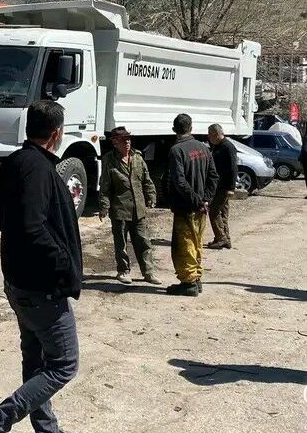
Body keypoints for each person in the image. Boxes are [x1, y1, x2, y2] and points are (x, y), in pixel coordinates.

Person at [0, 100, 82, 433]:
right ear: (56, 133)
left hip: (19, 282)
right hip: (40, 288)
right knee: (64, 364)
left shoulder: (15, 162)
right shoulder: (36, 169)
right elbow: (33, 227)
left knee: (36, 360)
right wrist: (63, 263)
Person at [164, 114, 219, 297]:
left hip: (185, 207)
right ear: (191, 128)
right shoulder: (204, 148)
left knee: (185, 245)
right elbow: (213, 177)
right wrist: (205, 200)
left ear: (174, 130)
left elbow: (179, 182)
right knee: (197, 244)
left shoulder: (176, 150)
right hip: (201, 208)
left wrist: (196, 201)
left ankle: (188, 282)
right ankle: (196, 279)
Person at [99, 126, 160, 285]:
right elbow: (105, 186)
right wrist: (104, 207)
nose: (127, 142)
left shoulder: (138, 157)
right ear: (114, 142)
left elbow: (147, 180)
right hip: (120, 209)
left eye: (128, 139)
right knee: (121, 244)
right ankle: (123, 271)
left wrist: (151, 196)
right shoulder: (109, 160)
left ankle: (148, 272)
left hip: (138, 209)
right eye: (122, 140)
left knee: (144, 241)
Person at [206, 124, 238, 249]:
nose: (209, 137)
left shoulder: (227, 147)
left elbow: (233, 168)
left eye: (210, 135)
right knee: (223, 213)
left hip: (224, 186)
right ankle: (225, 238)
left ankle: (221, 238)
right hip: (219, 185)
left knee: (214, 211)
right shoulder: (217, 146)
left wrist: (231, 188)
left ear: (216, 134)